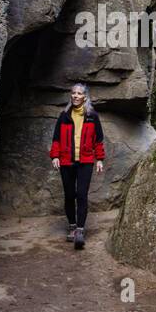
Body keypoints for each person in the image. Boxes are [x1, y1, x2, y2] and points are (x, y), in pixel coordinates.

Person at [49, 83, 105, 249]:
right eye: (73, 93)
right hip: (66, 160)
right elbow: (56, 139)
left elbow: (99, 140)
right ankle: (72, 226)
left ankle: (80, 230)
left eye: (79, 93)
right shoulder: (64, 115)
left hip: (86, 161)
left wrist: (99, 159)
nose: (75, 96)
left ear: (85, 97)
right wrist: (55, 156)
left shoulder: (92, 116)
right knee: (69, 195)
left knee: (81, 194)